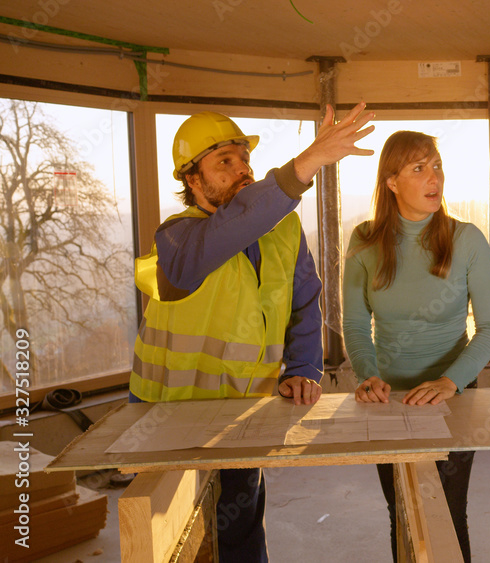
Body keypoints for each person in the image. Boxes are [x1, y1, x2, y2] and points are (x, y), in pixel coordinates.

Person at [129, 102, 374, 563]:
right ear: (192, 180)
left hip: (243, 415)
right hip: (167, 418)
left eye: (244, 158)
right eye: (224, 161)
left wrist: (303, 369)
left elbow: (304, 303)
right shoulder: (177, 238)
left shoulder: (283, 228)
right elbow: (230, 229)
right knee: (175, 539)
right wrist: (304, 166)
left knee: (239, 532)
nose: (241, 169)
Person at [342, 130, 490, 562]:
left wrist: (451, 382)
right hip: (386, 402)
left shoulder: (466, 238)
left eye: (437, 165)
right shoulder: (364, 241)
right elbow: (356, 324)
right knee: (403, 516)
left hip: (452, 399)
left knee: (447, 516)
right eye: (419, 168)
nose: (434, 177)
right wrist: (368, 375)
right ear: (391, 182)